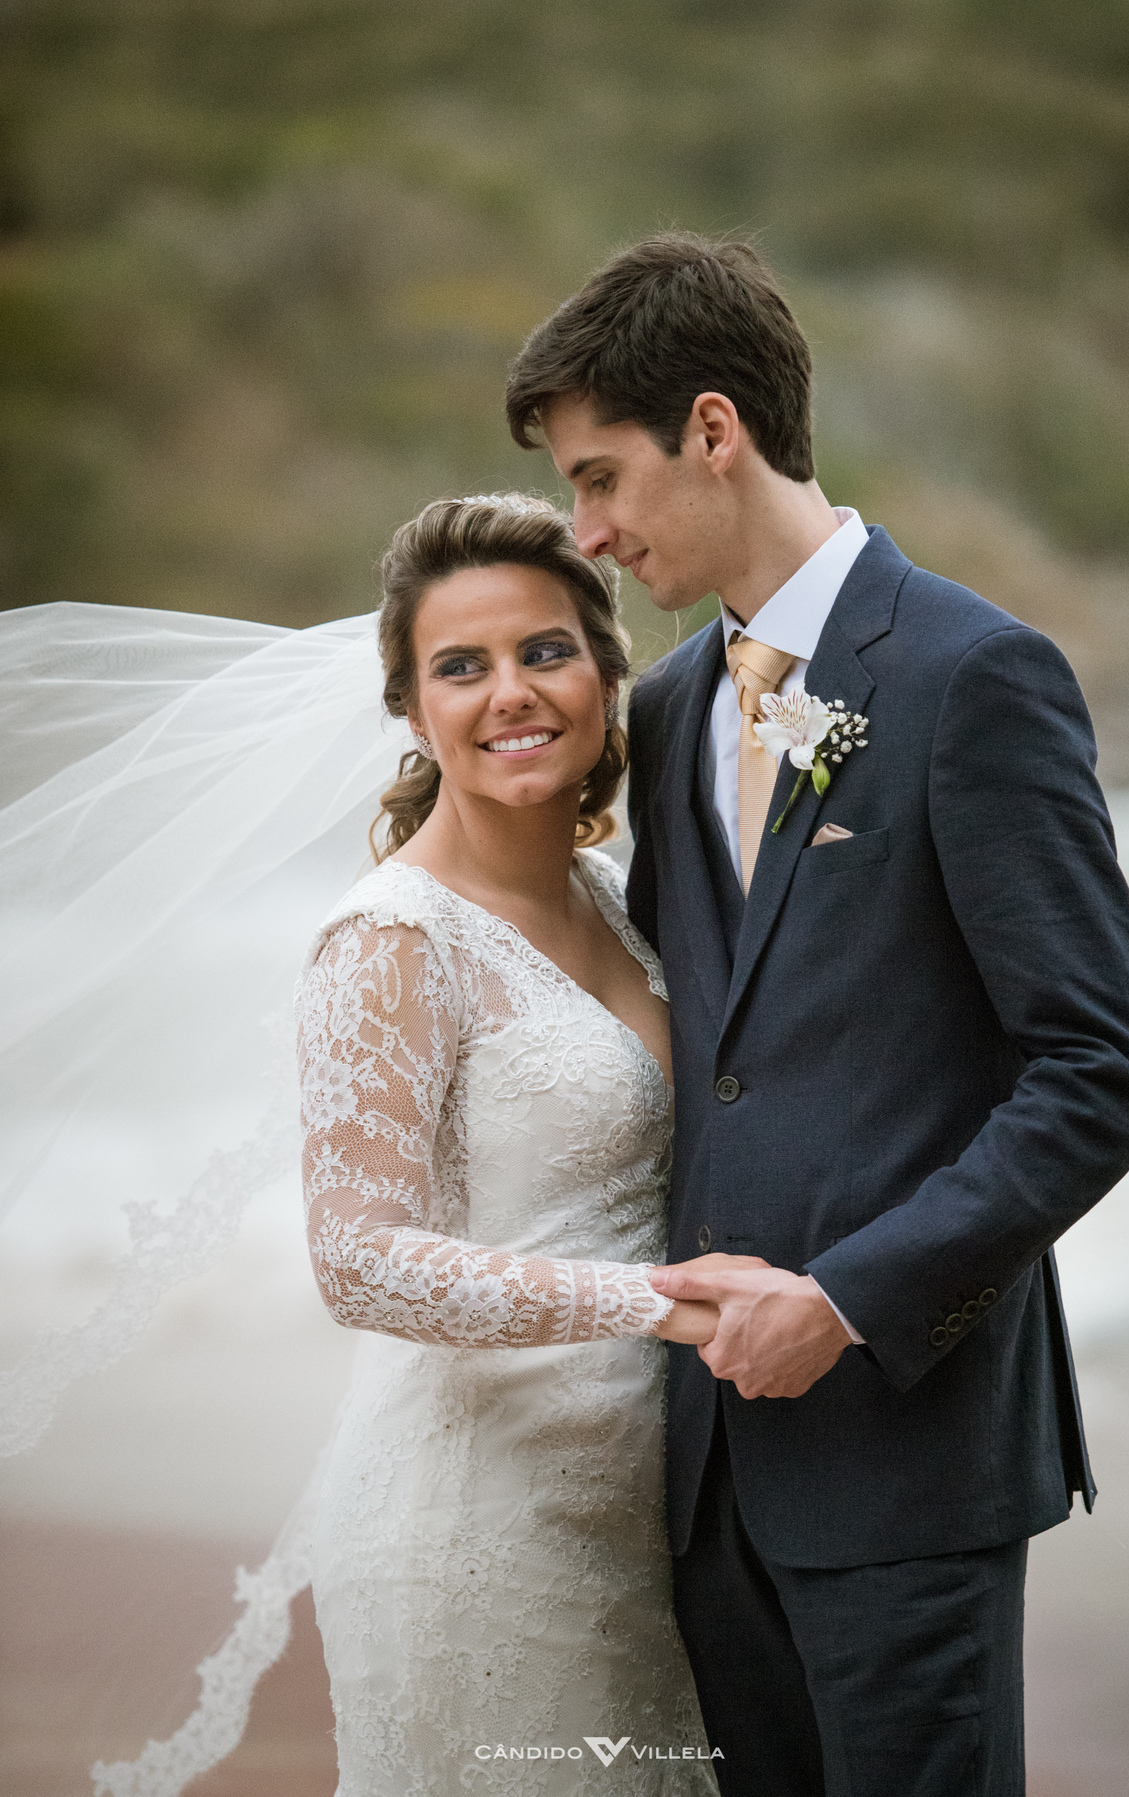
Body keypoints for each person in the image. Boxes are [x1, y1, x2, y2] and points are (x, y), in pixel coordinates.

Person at [504, 234, 1129, 1796]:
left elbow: (1103, 1069)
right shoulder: (664, 711)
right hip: (705, 1475)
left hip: (906, 1454)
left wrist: (855, 1297)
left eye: (603, 479)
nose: (588, 535)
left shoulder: (975, 675)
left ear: (716, 431)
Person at [296, 493, 722, 1792]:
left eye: (543, 649)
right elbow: (357, 1261)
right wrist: (662, 1304)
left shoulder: (621, 895)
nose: (510, 693)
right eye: (460, 666)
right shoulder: (393, 938)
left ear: (604, 668)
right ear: (412, 708)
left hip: (642, 1530)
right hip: (472, 1528)